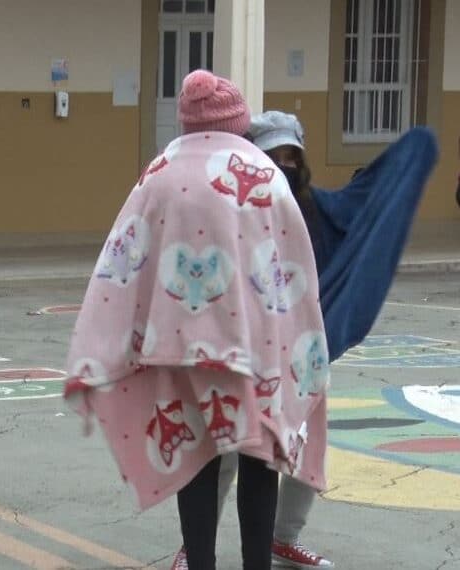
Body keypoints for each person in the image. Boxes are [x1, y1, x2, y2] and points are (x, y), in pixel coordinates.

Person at [64, 70, 329, 570]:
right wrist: (303, 341)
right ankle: (257, 563)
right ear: (236, 122)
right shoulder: (262, 174)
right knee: (258, 459)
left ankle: (201, 562)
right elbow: (294, 267)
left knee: (198, 458)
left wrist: (104, 339)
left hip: (177, 345)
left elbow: (123, 257)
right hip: (255, 347)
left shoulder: (159, 171)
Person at [167, 110, 438, 570]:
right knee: (226, 448)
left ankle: (282, 540)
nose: (285, 166)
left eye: (293, 156)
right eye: (275, 156)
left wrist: (403, 169)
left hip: (299, 352)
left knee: (303, 445)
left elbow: (361, 216)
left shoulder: (314, 208)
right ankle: (195, 548)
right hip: (240, 349)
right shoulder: (231, 209)